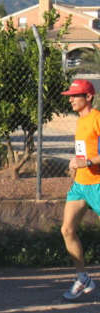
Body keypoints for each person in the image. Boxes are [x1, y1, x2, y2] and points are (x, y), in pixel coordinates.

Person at [60, 79, 100, 300]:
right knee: (67, 230)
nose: (71, 99)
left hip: (98, 185)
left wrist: (88, 163)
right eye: (70, 96)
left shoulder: (97, 119)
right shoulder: (80, 122)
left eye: (76, 96)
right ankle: (83, 277)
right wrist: (75, 164)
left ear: (89, 97)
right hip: (80, 186)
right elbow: (84, 152)